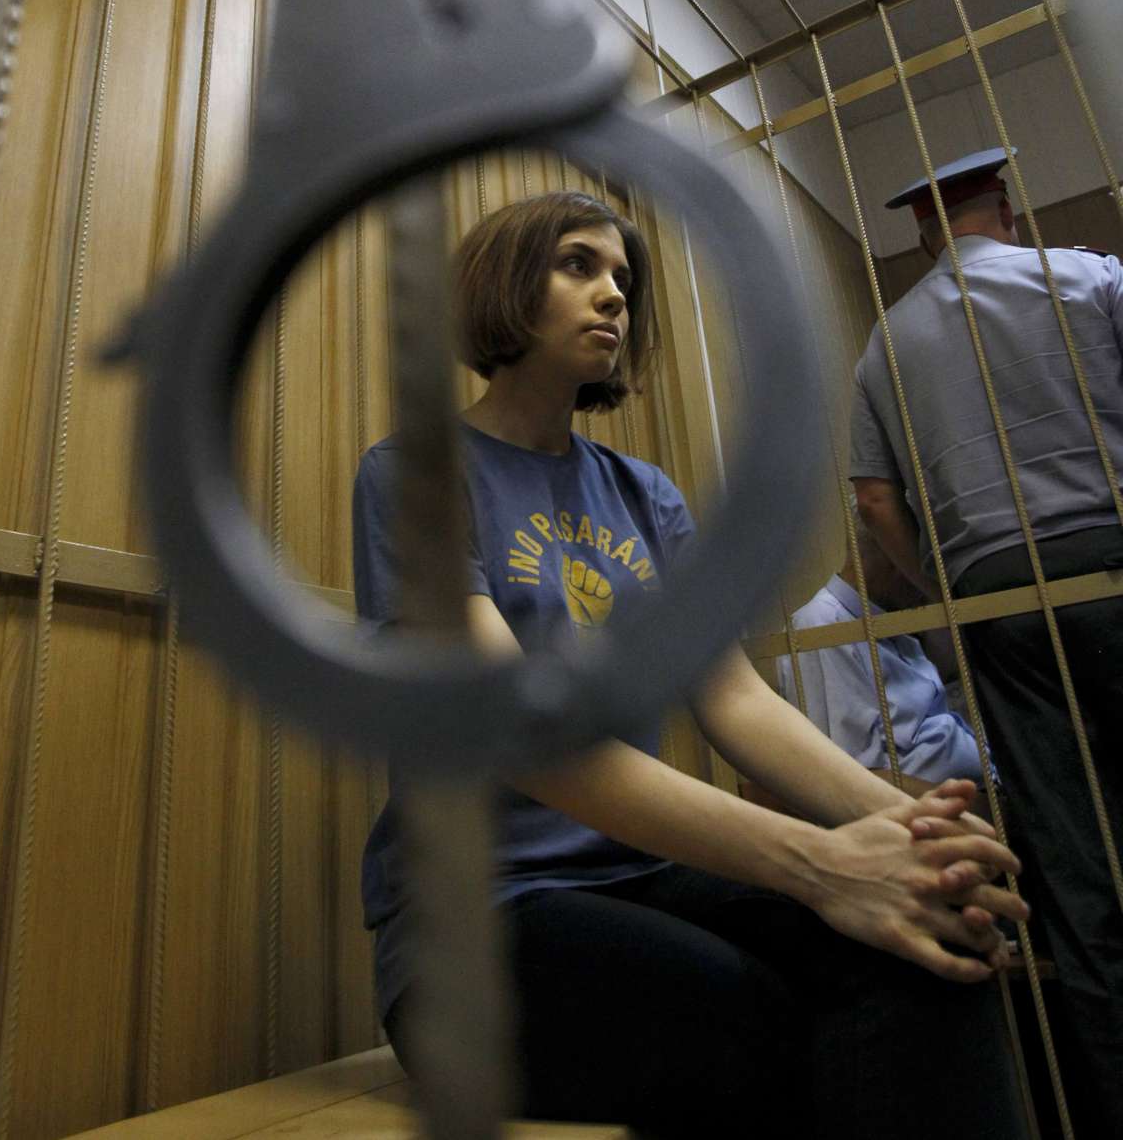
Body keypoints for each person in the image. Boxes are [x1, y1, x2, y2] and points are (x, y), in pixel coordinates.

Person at [353, 189, 1030, 1139]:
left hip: (636, 879)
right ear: (504, 284)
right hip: (476, 922)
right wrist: (818, 864)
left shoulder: (647, 496)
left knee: (929, 941)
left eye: (623, 279)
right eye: (579, 265)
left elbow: (736, 700)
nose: (614, 296)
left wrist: (907, 831)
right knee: (744, 1016)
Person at [850, 147, 1123, 1132]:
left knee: (1071, 850)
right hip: (1110, 555)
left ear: (927, 235)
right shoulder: (1089, 277)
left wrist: (950, 589)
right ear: (1007, 208)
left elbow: (875, 498)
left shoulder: (885, 341)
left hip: (995, 596)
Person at [777, 519, 985, 792]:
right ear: (891, 553)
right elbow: (849, 777)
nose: (930, 578)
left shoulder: (891, 624)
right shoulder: (821, 625)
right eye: (925, 563)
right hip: (941, 807)